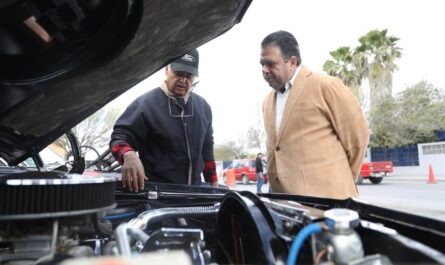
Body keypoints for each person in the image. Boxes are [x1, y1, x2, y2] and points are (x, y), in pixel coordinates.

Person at [260, 31, 369, 199]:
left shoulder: (326, 86)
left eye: (271, 64)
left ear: (293, 62)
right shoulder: (267, 102)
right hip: (286, 206)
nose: (264, 70)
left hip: (329, 203)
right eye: (262, 64)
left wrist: (340, 179)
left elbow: (358, 138)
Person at [110, 49, 218, 192]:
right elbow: (119, 137)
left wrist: (212, 177)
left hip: (194, 191)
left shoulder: (203, 107)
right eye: (179, 73)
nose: (184, 80)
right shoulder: (146, 104)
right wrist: (128, 155)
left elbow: (207, 145)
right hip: (158, 193)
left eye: (189, 76)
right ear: (167, 69)